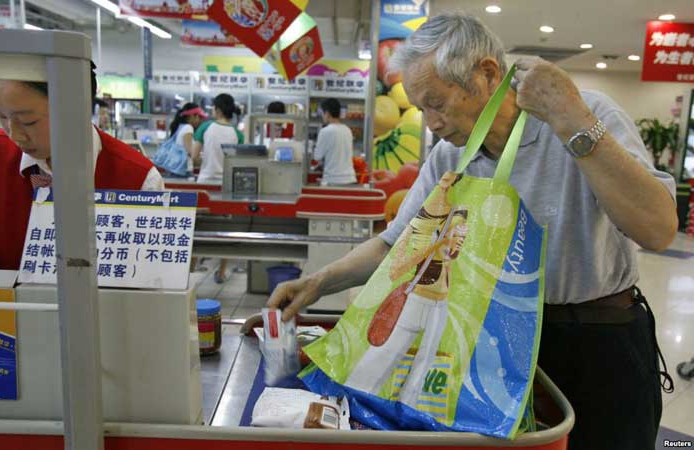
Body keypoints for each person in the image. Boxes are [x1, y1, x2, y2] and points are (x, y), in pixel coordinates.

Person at [268, 13, 677, 450]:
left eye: (436, 104)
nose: (430, 123)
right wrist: (318, 282)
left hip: (598, 341)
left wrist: (571, 119)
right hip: (497, 352)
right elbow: (396, 244)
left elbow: (658, 229)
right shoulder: (451, 157)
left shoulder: (586, 114)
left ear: (485, 75)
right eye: (421, 108)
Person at [0, 66, 164, 270]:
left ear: (77, 110)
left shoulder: (139, 179)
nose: (14, 134)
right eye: (1, 116)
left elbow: (145, 273)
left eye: (28, 121)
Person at [346, 172, 468, 409]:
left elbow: (452, 265)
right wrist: (435, 246)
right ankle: (353, 405)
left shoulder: (455, 229)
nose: (459, 235)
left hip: (441, 305)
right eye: (457, 231)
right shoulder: (421, 226)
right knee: (383, 356)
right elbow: (396, 268)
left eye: (462, 230)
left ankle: (409, 416)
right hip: (415, 299)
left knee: (425, 367)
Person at [192, 93, 244, 283]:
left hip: (204, 184)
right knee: (225, 230)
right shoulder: (237, 133)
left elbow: (194, 156)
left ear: (218, 109)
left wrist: (205, 160)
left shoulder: (205, 127)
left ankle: (191, 268)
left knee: (197, 230)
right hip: (226, 189)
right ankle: (221, 271)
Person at [313, 98, 356, 185]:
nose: (322, 116)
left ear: (327, 113)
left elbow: (317, 156)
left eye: (323, 113)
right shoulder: (347, 130)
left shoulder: (325, 131)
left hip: (333, 180)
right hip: (350, 179)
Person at [168, 102, 208, 177]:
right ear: (192, 116)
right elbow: (191, 152)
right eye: (199, 117)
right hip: (183, 171)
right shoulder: (188, 128)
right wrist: (207, 161)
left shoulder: (181, 127)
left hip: (177, 170)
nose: (201, 121)